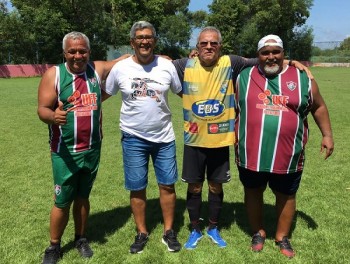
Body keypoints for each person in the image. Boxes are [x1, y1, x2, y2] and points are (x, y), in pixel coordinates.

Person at [172, 26, 309, 250]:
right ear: (196, 47)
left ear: (220, 46)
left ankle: (213, 227)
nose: (209, 47)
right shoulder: (182, 65)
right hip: (194, 140)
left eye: (213, 43)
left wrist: (291, 62)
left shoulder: (231, 62)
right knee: (195, 187)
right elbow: (158, 64)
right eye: (204, 43)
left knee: (216, 186)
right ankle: (195, 229)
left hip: (220, 140)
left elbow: (265, 60)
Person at [234, 34, 334, 258]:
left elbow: (318, 107)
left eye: (276, 52)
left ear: (283, 53)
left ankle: (282, 237)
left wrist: (327, 135)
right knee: (252, 191)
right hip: (251, 153)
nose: (271, 56)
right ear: (257, 56)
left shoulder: (302, 77)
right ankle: (258, 232)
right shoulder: (243, 76)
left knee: (286, 194)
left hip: (288, 153)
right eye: (265, 52)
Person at [37, 31, 128, 264]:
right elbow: (42, 109)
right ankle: (54, 246)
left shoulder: (96, 70)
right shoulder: (54, 74)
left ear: (89, 52)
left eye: (82, 51)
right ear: (64, 52)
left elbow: (126, 59)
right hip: (64, 151)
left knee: (83, 196)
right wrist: (52, 116)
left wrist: (161, 58)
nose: (77, 55)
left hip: (92, 149)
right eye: (72, 51)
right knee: (62, 200)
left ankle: (80, 238)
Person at [103, 21, 183, 254]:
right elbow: (104, 94)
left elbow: (183, 93)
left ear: (154, 41)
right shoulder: (121, 69)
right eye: (140, 37)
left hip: (164, 136)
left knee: (167, 185)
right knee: (137, 187)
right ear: (132, 42)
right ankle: (142, 232)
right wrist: (76, 105)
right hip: (133, 137)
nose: (144, 41)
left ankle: (169, 232)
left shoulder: (167, 66)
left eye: (149, 37)